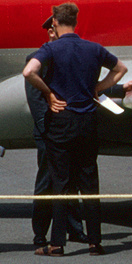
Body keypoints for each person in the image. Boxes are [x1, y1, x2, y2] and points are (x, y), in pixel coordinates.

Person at [22, 2, 128, 256]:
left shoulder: (50, 48)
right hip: (88, 121)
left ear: (55, 23)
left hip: (61, 121)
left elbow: (29, 72)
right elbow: (121, 69)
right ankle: (94, 241)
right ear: (75, 22)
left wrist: (48, 93)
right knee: (89, 180)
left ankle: (57, 243)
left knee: (61, 181)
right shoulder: (93, 48)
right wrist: (98, 88)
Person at [27, 15, 87, 249]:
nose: (54, 34)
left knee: (70, 181)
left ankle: (75, 229)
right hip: (49, 134)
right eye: (51, 31)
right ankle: (40, 234)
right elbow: (36, 102)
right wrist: (49, 132)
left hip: (68, 130)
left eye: (56, 30)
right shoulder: (36, 60)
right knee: (47, 182)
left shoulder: (69, 58)